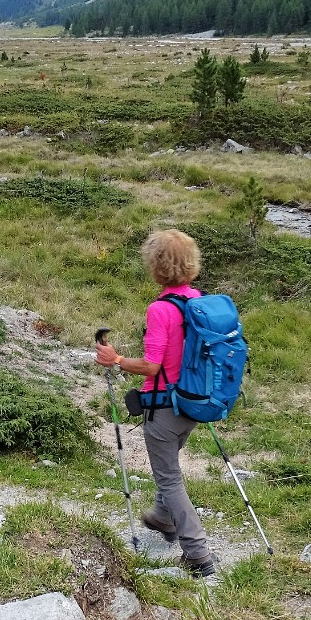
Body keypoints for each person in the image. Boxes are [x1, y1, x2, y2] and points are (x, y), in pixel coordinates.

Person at [95, 229, 217, 577]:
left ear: (156, 266)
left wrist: (116, 360)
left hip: (163, 408)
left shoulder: (161, 309)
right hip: (192, 404)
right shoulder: (198, 299)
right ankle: (163, 518)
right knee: (170, 467)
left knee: (169, 479)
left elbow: (151, 366)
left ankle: (198, 554)